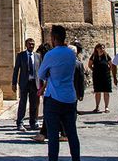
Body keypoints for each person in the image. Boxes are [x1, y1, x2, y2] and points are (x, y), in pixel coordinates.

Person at [37, 25, 81, 161]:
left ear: (54, 38)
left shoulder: (51, 54)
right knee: (72, 133)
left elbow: (41, 74)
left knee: (53, 135)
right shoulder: (71, 54)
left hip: (54, 98)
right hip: (70, 97)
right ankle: (76, 158)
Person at [12, 38, 41, 131]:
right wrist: (14, 83)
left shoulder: (38, 56)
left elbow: (40, 71)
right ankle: (20, 123)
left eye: (33, 44)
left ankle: (33, 122)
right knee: (23, 103)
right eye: (29, 44)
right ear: (26, 45)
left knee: (34, 104)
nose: (31, 46)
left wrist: (42, 84)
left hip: (34, 83)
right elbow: (16, 70)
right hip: (24, 83)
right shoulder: (21, 56)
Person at [88, 43, 112, 113]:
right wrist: (94, 70)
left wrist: (107, 71)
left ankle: (106, 107)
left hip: (106, 76)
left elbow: (111, 65)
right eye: (100, 48)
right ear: (97, 49)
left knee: (106, 92)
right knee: (97, 92)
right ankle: (97, 106)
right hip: (97, 76)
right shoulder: (94, 56)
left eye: (103, 48)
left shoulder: (106, 56)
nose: (102, 49)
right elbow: (89, 65)